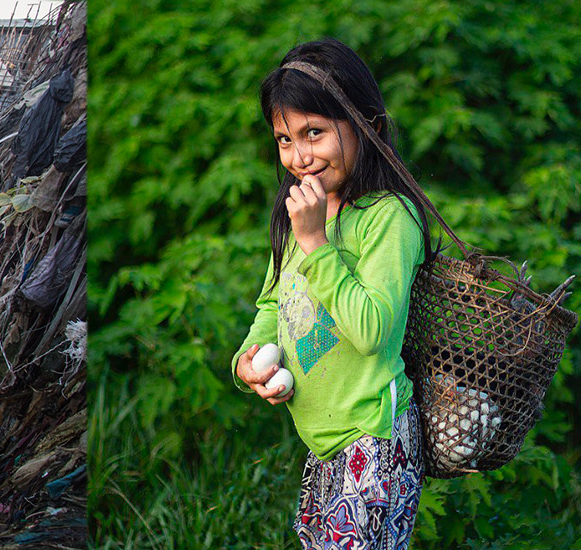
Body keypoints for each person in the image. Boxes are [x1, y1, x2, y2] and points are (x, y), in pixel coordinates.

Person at [231, 38, 435, 549]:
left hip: (374, 435)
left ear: (370, 127)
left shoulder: (389, 217)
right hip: (323, 443)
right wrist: (248, 363)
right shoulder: (296, 215)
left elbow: (372, 332)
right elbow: (274, 304)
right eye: (283, 140)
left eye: (314, 133)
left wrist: (316, 242)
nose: (299, 157)